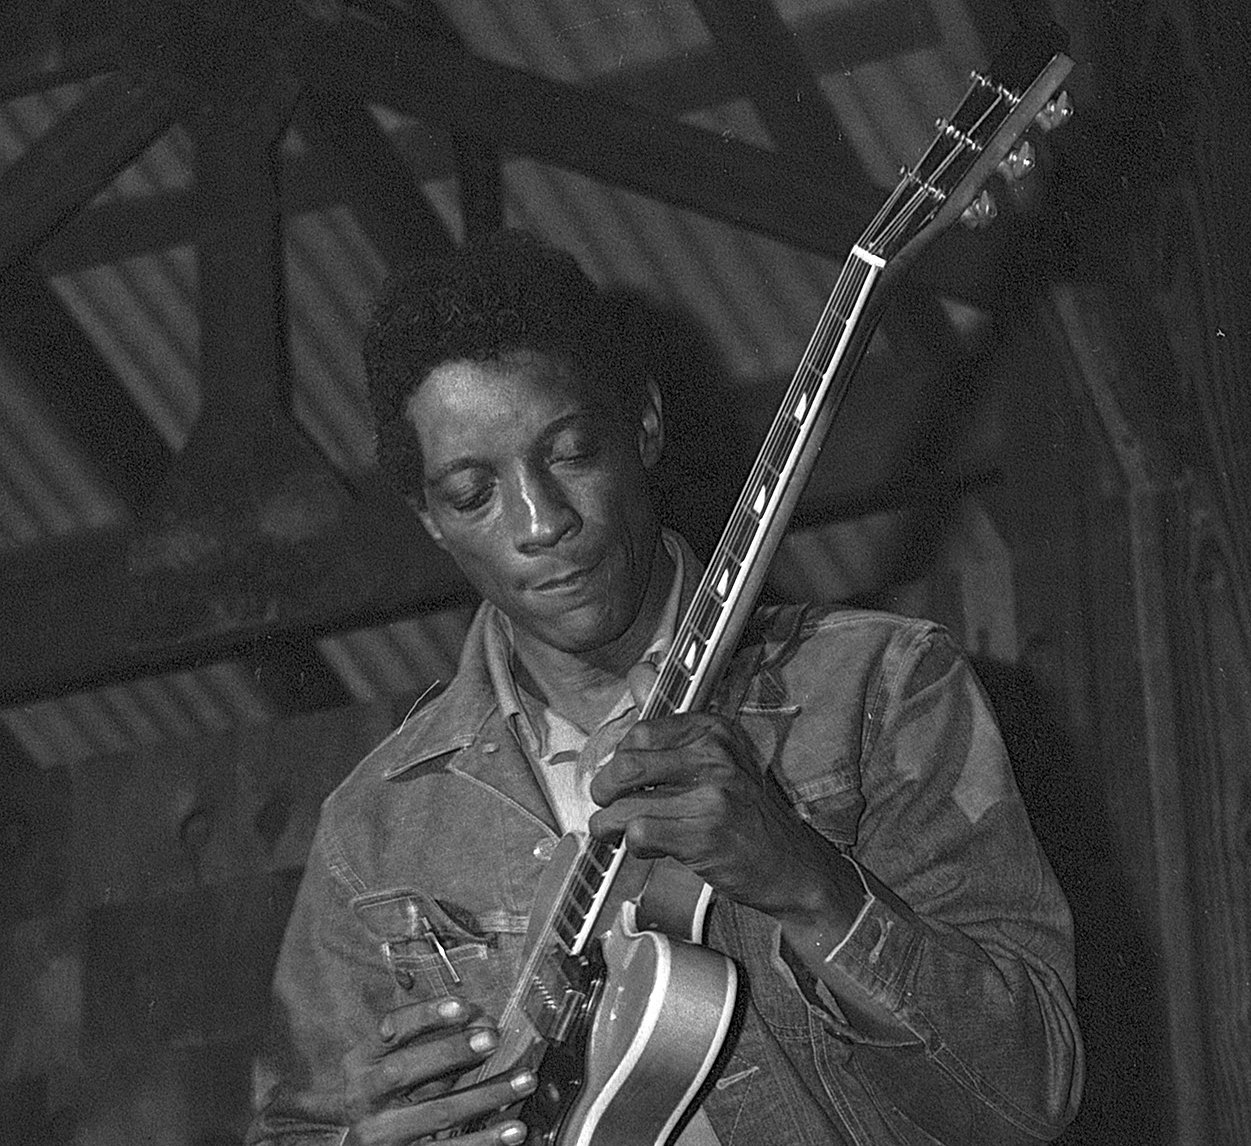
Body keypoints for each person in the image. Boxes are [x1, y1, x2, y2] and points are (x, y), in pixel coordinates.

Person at [247, 230, 1083, 1144]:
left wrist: (804, 880)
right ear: (430, 521)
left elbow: (1030, 1091)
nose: (540, 523)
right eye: (471, 493)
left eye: (568, 453)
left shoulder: (878, 686)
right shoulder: (373, 827)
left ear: (642, 426)